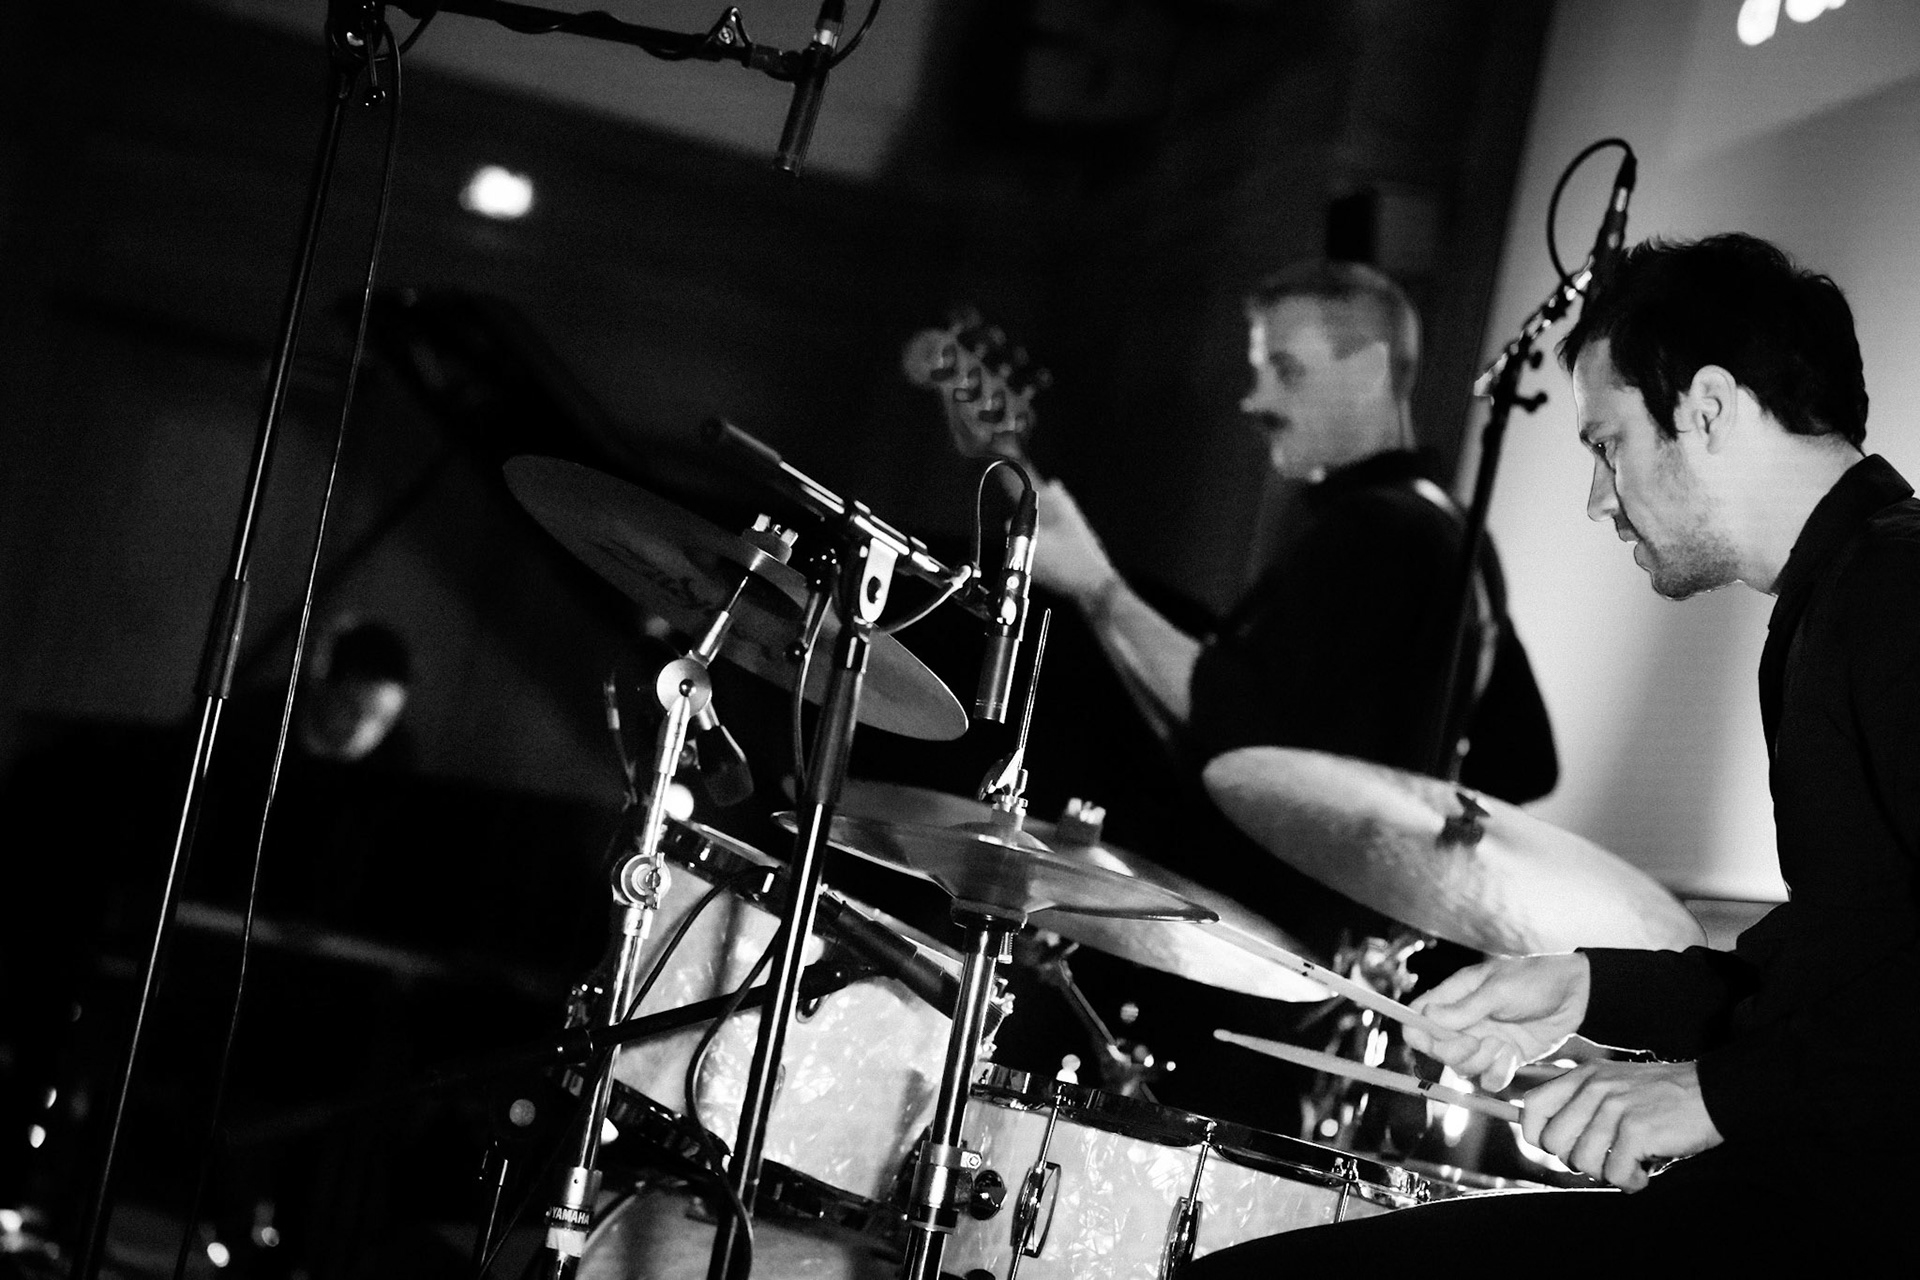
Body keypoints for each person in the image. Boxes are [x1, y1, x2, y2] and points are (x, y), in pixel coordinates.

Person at [1187, 232, 1919, 1273]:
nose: (1596, 496)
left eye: (1608, 441)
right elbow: (1836, 970)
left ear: (1707, 408)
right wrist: (1581, 986)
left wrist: (1716, 1093)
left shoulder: (1896, 591)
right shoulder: (1830, 604)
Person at [1021, 260, 1557, 1142]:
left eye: (1286, 368)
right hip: (1332, 978)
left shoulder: (1372, 531)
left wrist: (1101, 589)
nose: (1255, 397)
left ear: (1375, 367)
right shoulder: (1456, 537)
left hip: (1257, 966)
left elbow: (1245, 722)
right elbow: (1523, 758)